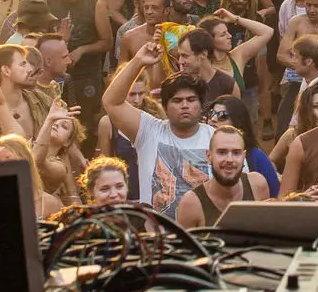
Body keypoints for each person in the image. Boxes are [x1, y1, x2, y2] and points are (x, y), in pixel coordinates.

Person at [100, 60, 214, 219]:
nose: (185, 105)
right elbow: (111, 101)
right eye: (177, 100)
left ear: (201, 105)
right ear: (165, 107)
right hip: (156, 235)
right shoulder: (149, 130)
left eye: (191, 99)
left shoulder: (215, 138)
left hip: (204, 234)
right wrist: (139, 61)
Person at [173, 124, 269, 226]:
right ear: (209, 156)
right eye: (222, 152)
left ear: (243, 156)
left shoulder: (257, 185)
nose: (229, 160)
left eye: (236, 153)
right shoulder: (191, 204)